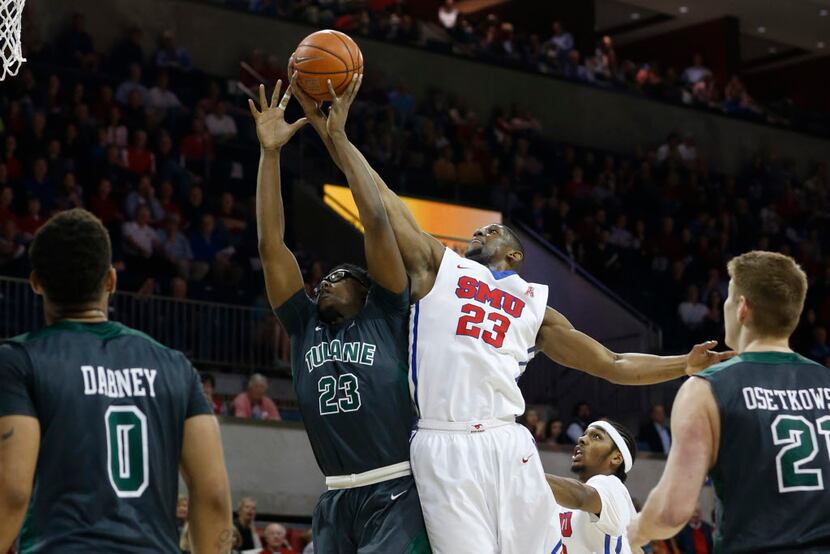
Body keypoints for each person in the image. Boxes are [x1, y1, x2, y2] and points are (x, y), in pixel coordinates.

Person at [295, 68, 732, 554]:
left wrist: (684, 365)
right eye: (477, 233)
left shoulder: (535, 305)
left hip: (508, 443)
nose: (480, 234)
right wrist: (336, 138)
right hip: (442, 445)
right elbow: (380, 199)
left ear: (515, 255)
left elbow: (614, 363)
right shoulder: (440, 267)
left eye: (492, 233)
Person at [254, 77, 430, 553]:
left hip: (396, 490)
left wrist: (339, 140)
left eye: (339, 276)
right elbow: (272, 246)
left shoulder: (387, 312)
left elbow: (375, 221)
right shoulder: (303, 323)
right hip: (335, 496)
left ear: (367, 289)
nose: (324, 283)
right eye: (323, 279)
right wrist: (270, 155)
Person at [0, 209, 232, 552]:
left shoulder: (18, 360)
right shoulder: (175, 366)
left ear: (35, 283)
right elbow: (213, 496)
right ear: (111, 280)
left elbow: (12, 491)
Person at [629, 251, 830, 552]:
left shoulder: (707, 388)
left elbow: (672, 512)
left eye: (728, 297)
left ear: (742, 308)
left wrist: (630, 534)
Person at [547, 420, 638, 553]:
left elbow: (583, 497)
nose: (581, 439)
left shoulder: (612, 486)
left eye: (596, 436)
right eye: (584, 434)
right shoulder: (562, 500)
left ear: (616, 458)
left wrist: (529, 474)